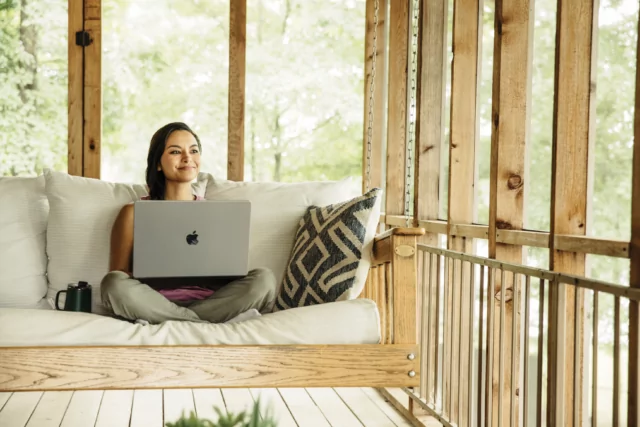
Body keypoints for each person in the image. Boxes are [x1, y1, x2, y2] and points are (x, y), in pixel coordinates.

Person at [100, 122, 276, 324]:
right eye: (176, 151)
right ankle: (199, 324)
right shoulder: (133, 212)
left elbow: (232, 271)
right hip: (153, 303)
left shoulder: (217, 214)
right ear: (158, 163)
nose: (187, 158)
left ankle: (180, 323)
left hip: (214, 302)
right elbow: (118, 275)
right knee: (113, 283)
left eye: (194, 151)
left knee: (264, 279)